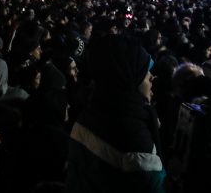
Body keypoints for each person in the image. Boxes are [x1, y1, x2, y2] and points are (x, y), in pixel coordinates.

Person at [67, 34, 164, 193]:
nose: (152, 78)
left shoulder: (88, 112)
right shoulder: (133, 137)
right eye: (144, 73)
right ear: (127, 77)